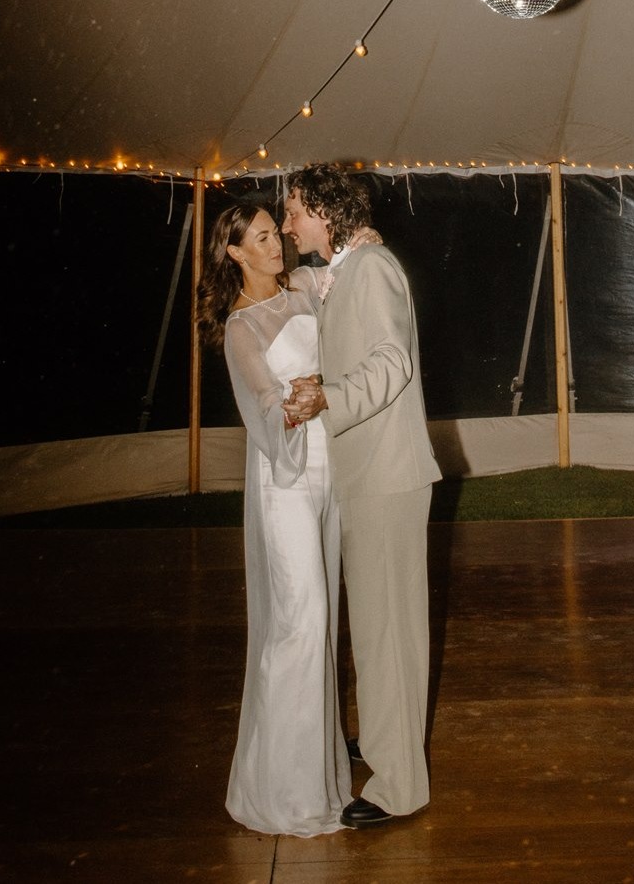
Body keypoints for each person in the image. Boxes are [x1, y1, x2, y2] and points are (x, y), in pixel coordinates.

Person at [281, 164, 440, 829]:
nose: (287, 225)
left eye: (294, 212)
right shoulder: (351, 266)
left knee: (390, 634)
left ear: (327, 212)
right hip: (370, 475)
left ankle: (400, 783)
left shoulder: (372, 268)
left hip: (387, 475)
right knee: (376, 631)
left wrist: (328, 399)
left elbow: (389, 362)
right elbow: (318, 293)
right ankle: (382, 741)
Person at [197, 203, 351, 837]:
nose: (276, 244)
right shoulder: (241, 328)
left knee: (325, 624)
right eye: (262, 238)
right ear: (235, 253)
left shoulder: (304, 286)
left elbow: (344, 270)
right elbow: (263, 404)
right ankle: (281, 794)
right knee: (300, 620)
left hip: (329, 471)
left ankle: (320, 780)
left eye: (274, 232)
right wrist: (299, 398)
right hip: (284, 477)